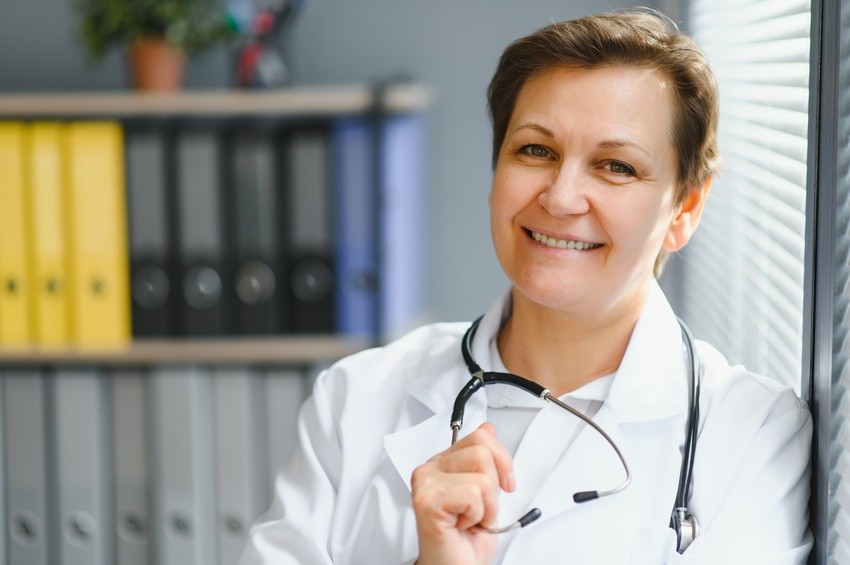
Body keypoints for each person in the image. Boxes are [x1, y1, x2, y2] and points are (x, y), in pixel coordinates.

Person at [239, 8, 812, 564]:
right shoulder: (357, 399)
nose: (560, 198)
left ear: (685, 207)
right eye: (535, 150)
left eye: (616, 166)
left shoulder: (751, 432)